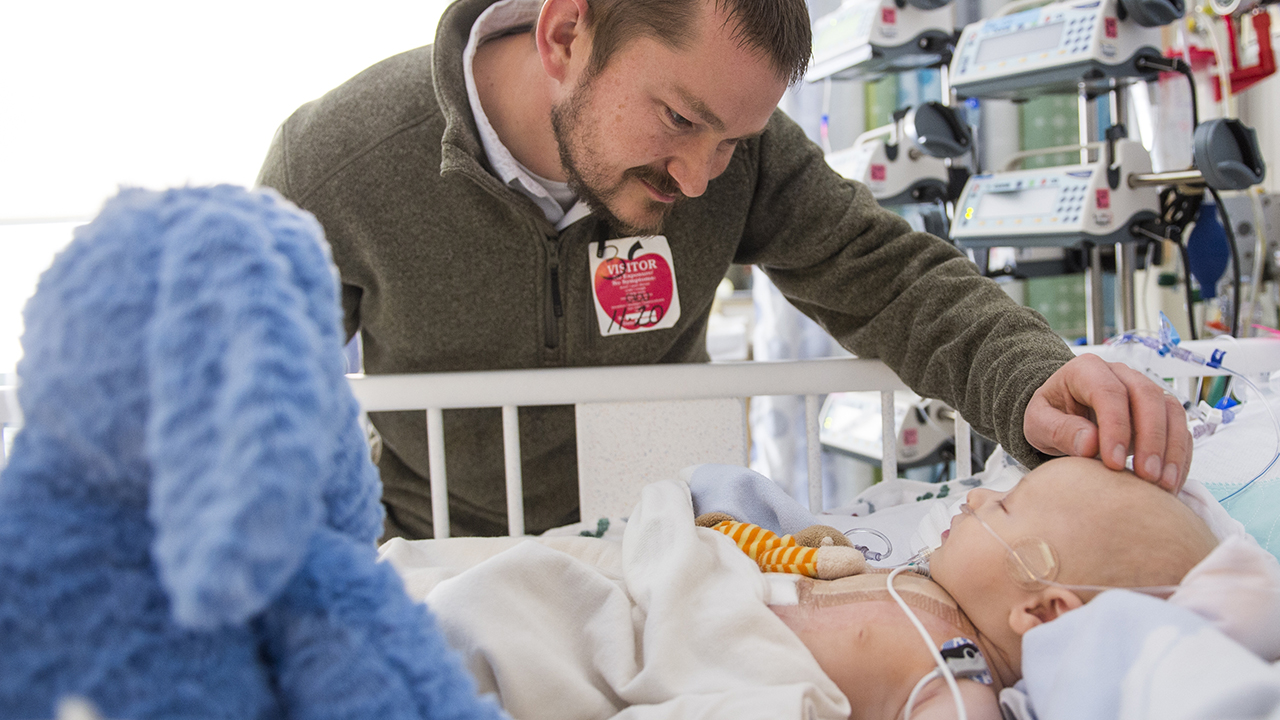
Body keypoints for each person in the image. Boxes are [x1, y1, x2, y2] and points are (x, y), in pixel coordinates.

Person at [257, 0, 1192, 541]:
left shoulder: (736, 154)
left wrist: (1029, 377)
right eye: (678, 119)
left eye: (733, 138)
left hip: (669, 548)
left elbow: (884, 272)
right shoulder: (337, 164)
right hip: (443, 560)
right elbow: (248, 416)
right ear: (564, 34)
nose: (702, 175)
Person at [383, 456, 1217, 719]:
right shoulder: (918, 581)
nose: (973, 496)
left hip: (694, 655)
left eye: (1005, 505)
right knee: (510, 590)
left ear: (1040, 607)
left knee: (493, 623)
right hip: (673, 595)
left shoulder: (958, 669)